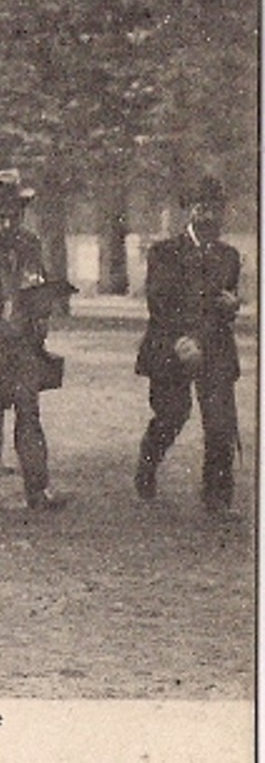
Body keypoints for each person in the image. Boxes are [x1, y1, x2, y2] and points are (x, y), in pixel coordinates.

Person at [134, 175, 244, 517]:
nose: (208, 216)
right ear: (189, 211)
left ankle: (217, 498)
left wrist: (232, 304)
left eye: (214, 209)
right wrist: (181, 340)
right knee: (171, 414)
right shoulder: (164, 252)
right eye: (201, 208)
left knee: (221, 423)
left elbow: (223, 301)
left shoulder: (229, 256)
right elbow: (159, 301)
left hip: (214, 346)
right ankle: (147, 463)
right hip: (171, 344)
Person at [0, 170, 71, 511]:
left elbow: (36, 283)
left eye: (14, 217)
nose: (8, 225)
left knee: (29, 411)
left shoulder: (29, 244)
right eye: (1, 217)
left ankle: (37, 488)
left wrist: (40, 311)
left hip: (21, 344)